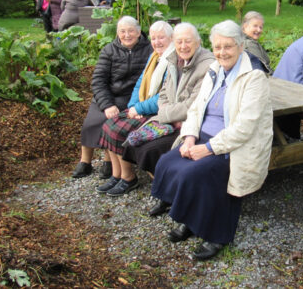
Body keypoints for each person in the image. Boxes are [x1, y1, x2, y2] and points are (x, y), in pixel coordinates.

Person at [149, 20, 273, 261]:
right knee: (167, 163)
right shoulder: (215, 70)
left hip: (234, 145)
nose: (222, 52)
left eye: (228, 47)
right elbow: (196, 108)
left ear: (240, 46)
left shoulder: (254, 77)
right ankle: (192, 220)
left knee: (196, 174)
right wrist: (189, 137)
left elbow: (245, 127)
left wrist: (206, 149)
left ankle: (217, 235)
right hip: (203, 137)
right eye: (217, 47)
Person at [97, 22, 214, 196]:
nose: (182, 46)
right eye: (179, 41)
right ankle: (119, 175)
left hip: (180, 119)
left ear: (198, 42)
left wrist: (154, 112)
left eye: (187, 41)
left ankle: (140, 182)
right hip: (166, 113)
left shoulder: (199, 64)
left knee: (136, 141)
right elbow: (159, 91)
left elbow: (189, 105)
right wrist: (133, 107)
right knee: (110, 125)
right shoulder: (166, 58)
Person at [72, 16, 152, 179]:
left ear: (138, 32)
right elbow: (98, 80)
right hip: (108, 95)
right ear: (117, 33)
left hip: (130, 98)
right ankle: (85, 162)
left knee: (111, 123)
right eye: (122, 31)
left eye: (131, 31)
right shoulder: (109, 50)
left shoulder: (149, 50)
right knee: (91, 122)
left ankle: (109, 162)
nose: (127, 35)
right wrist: (107, 104)